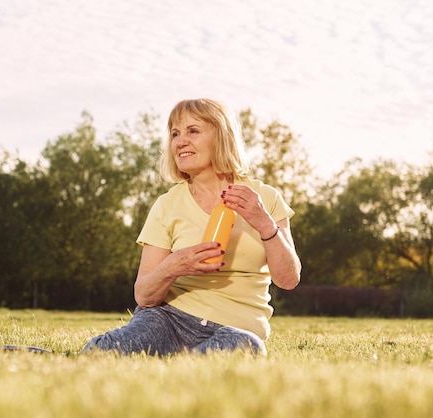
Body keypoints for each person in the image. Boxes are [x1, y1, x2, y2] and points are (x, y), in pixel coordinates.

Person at [82, 98, 301, 356]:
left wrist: (264, 223)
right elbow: (144, 295)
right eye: (175, 134)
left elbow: (288, 279)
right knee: (102, 353)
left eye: (193, 131)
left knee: (245, 347)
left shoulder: (265, 197)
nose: (180, 141)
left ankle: (172, 369)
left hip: (233, 329)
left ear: (222, 137)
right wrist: (174, 265)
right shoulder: (167, 205)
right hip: (169, 320)